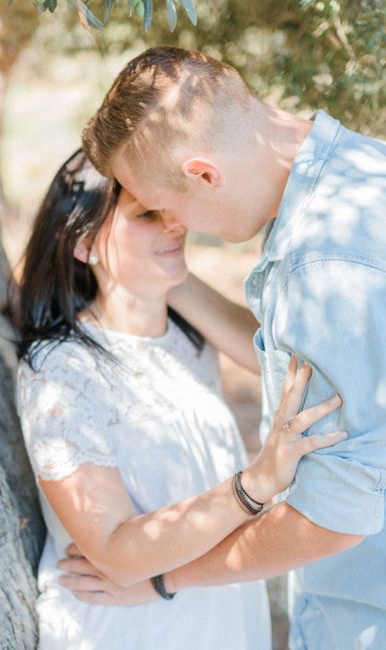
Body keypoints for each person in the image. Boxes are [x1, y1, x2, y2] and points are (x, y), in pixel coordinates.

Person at [72, 46, 386, 649]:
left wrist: (165, 578)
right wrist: (162, 274)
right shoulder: (358, 167)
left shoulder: (320, 265)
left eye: (165, 207)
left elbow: (335, 520)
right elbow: (309, 363)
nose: (175, 226)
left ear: (204, 173)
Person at [14, 148, 345, 650]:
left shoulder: (187, 336)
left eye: (170, 205)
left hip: (217, 619)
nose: (174, 222)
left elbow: (283, 358)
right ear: (83, 242)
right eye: (146, 214)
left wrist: (162, 269)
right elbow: (115, 553)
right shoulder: (61, 368)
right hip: (124, 631)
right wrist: (254, 485)